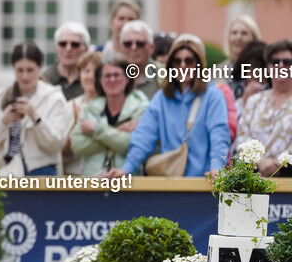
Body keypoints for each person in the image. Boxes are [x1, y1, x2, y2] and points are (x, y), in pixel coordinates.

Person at [107, 34, 231, 178]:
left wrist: (217, 167)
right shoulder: (161, 98)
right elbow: (144, 137)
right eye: (177, 61)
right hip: (171, 181)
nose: (183, 66)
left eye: (189, 61)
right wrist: (126, 168)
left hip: (204, 181)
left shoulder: (213, 96)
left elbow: (219, 136)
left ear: (198, 64)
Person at [0, 42, 71, 176]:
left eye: (30, 70)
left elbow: (55, 145)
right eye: (20, 70)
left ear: (40, 67)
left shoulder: (54, 98)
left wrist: (35, 117)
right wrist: (3, 122)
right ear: (13, 68)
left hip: (42, 170)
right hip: (6, 170)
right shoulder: (0, 98)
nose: (25, 76)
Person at [71, 54, 148, 176]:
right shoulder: (90, 108)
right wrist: (118, 130)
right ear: (99, 80)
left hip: (128, 180)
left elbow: (130, 145)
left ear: (127, 78)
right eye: (107, 76)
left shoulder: (140, 105)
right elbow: (77, 146)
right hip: (94, 180)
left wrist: (96, 129)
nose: (112, 80)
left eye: (116, 75)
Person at [237, 40, 292, 177]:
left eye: (287, 62)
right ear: (268, 67)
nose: (281, 66)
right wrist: (260, 162)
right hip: (253, 179)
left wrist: (278, 165)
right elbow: (242, 138)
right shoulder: (254, 101)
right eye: (275, 62)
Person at [62, 50, 102, 174]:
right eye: (86, 71)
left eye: (95, 72)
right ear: (79, 75)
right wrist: (76, 124)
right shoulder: (70, 106)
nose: (91, 76)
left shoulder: (111, 105)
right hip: (74, 176)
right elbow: (63, 152)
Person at [41, 22, 89, 101]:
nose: (68, 49)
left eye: (74, 44)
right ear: (56, 48)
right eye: (63, 44)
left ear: (86, 49)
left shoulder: (91, 81)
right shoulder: (44, 80)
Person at [119, 19, 159, 100]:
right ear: (121, 47)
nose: (133, 48)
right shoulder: (110, 76)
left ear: (151, 48)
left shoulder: (164, 78)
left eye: (140, 44)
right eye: (128, 44)